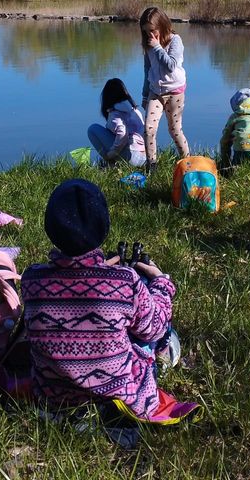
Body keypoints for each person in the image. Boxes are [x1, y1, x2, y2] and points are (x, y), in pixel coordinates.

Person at [21, 178, 175, 420]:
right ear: (103, 227)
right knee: (157, 327)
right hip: (120, 401)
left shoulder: (31, 279)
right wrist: (161, 281)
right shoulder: (125, 281)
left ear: (50, 228)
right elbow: (154, 328)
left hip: (53, 400)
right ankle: (166, 357)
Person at [140, 7, 189, 173]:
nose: (150, 35)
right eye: (146, 31)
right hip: (155, 92)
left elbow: (171, 66)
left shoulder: (175, 41)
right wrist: (145, 95)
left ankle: (187, 162)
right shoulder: (148, 45)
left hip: (175, 92)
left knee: (174, 130)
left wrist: (157, 47)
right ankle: (151, 165)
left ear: (162, 25)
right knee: (148, 129)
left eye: (152, 30)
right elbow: (147, 70)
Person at [87, 78, 147, 168]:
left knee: (93, 129)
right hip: (144, 158)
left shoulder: (115, 113)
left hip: (131, 156)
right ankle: (114, 163)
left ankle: (110, 162)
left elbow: (123, 133)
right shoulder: (135, 111)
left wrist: (112, 153)